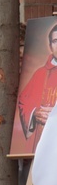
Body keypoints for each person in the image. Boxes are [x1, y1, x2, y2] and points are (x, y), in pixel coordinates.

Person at [18, 22, 57, 152]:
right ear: (50, 46)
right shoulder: (40, 73)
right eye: (55, 41)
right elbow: (24, 101)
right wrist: (35, 113)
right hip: (42, 139)